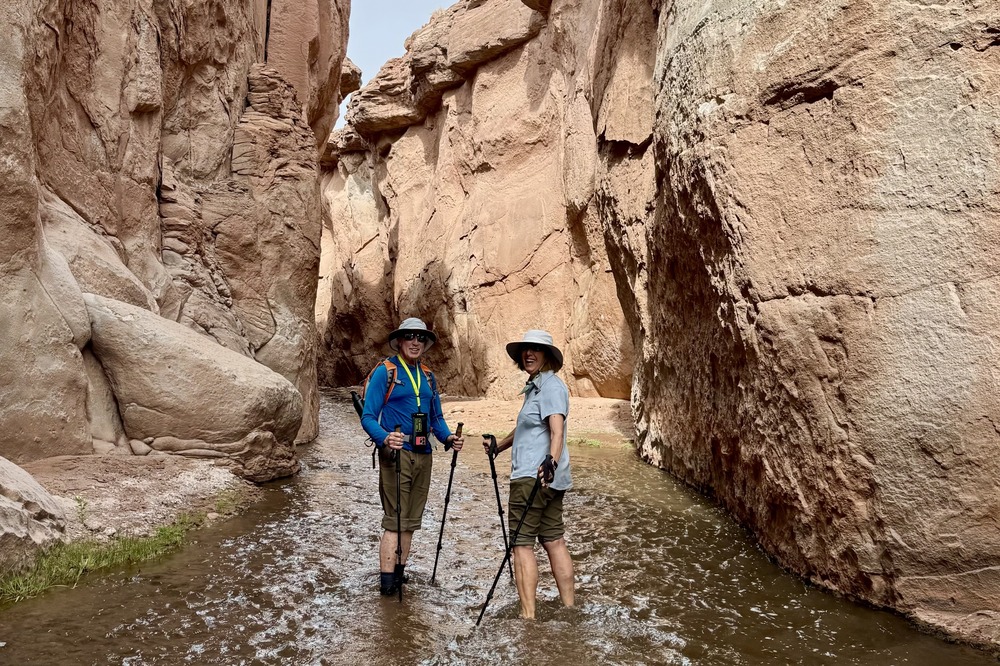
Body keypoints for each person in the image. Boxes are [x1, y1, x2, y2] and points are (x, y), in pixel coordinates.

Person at [361, 317, 464, 596]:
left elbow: (437, 418)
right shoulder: (386, 371)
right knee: (395, 519)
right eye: (410, 337)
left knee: (411, 521)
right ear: (400, 340)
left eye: (420, 338)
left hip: (423, 453)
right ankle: (386, 585)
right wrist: (384, 437)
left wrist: (447, 438)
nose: (415, 342)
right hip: (396, 453)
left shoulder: (428, 375)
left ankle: (399, 574)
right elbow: (368, 417)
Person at [484, 329, 574, 618]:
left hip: (532, 478)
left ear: (547, 355)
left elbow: (556, 430)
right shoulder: (537, 386)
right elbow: (528, 427)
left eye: (536, 349)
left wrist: (550, 462)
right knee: (553, 540)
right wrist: (499, 446)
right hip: (550, 480)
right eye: (525, 349)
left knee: (522, 546)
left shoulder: (549, 387)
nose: (529, 354)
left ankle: (528, 617)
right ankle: (569, 609)